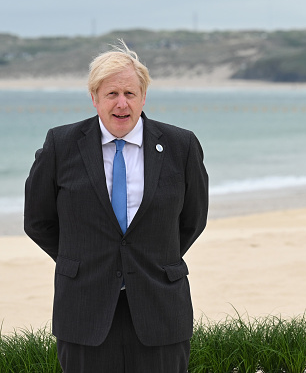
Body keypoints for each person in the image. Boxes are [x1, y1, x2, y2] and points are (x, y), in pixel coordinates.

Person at [24, 40, 208, 372]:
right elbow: (38, 221)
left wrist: (149, 258)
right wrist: (83, 259)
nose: (121, 104)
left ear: (143, 97)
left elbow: (193, 219)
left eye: (130, 93)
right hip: (84, 310)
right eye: (111, 94)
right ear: (94, 98)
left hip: (160, 309)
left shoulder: (182, 146)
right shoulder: (60, 145)